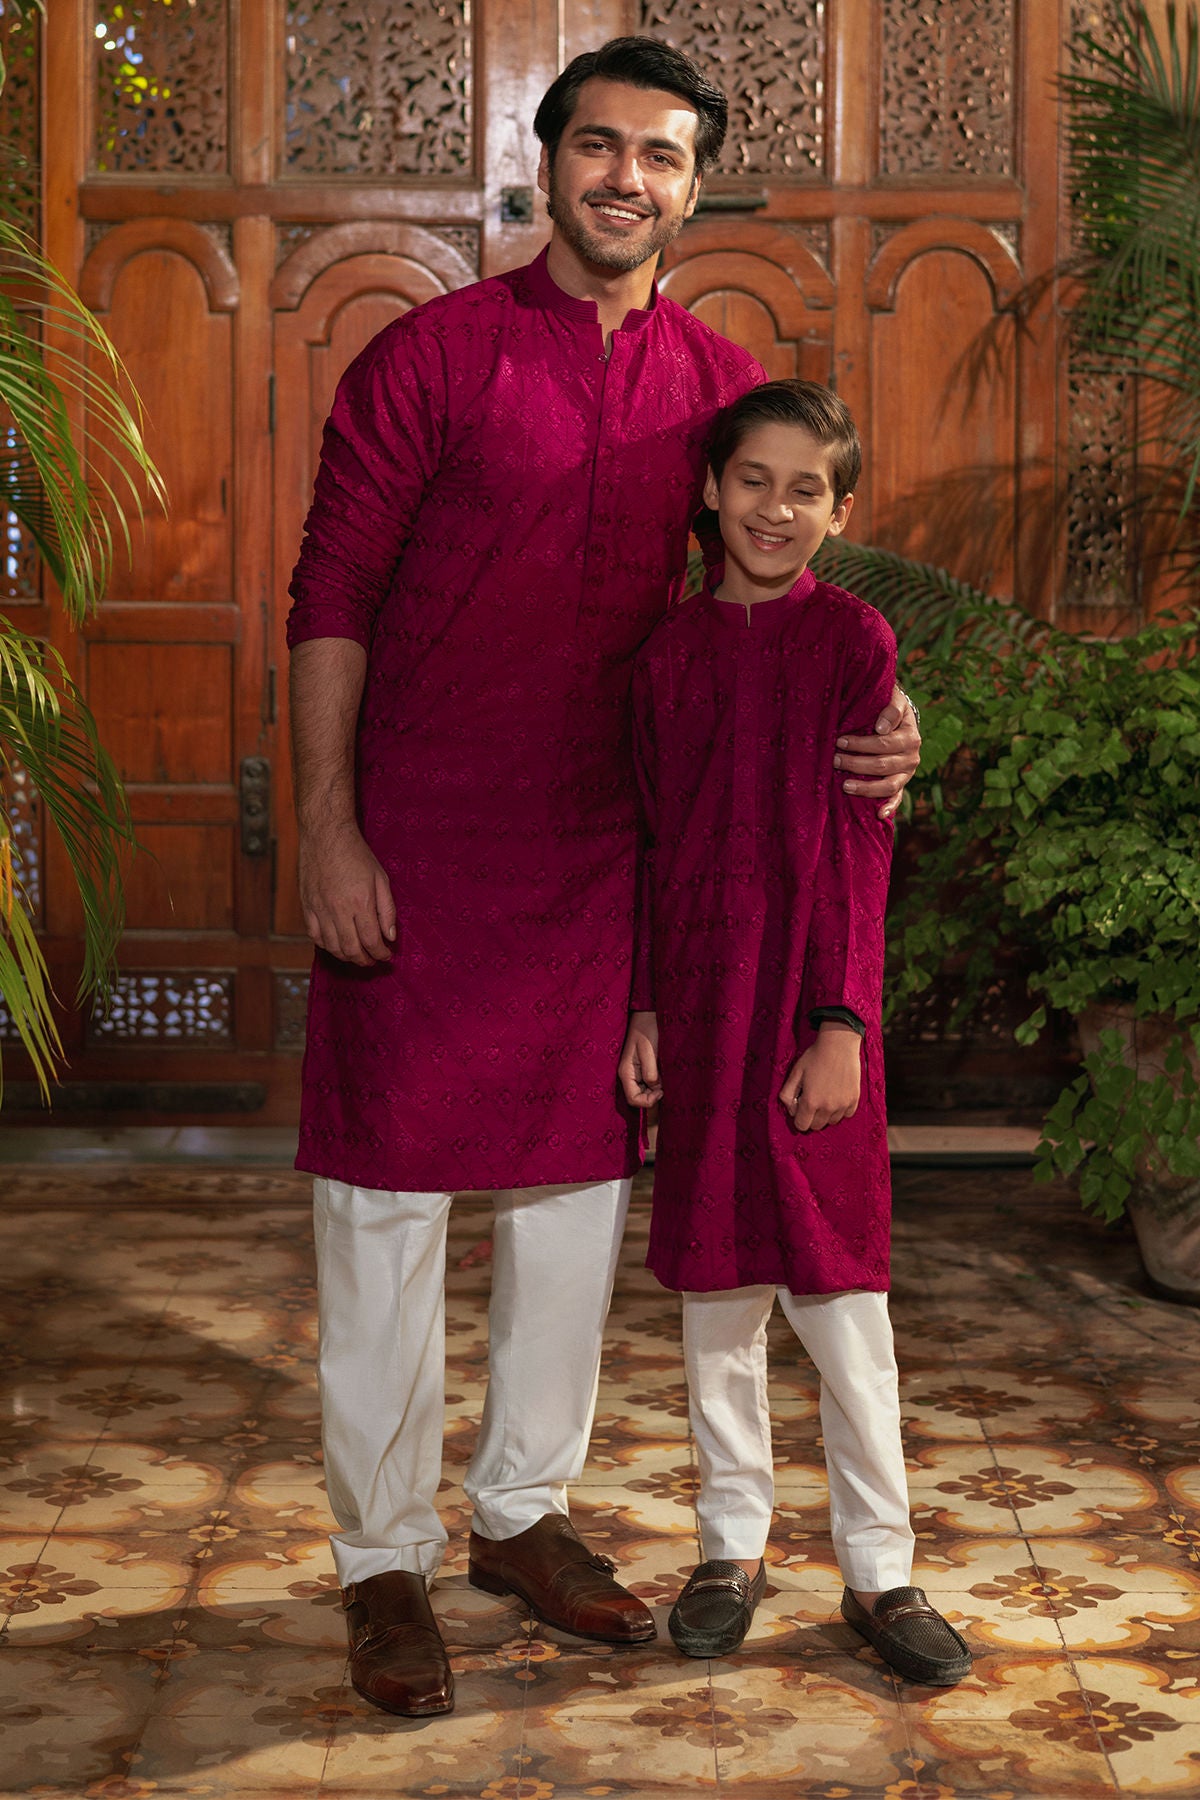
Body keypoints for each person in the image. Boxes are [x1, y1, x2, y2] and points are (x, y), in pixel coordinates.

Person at [287, 40, 922, 1719]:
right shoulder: (427, 359)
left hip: (603, 866)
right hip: (416, 847)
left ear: (694, 184)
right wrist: (329, 829)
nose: (625, 177)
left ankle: (521, 1513)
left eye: (660, 154)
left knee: (573, 1204)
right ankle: (381, 1560)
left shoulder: (718, 390)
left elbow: (778, 590)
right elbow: (329, 594)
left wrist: (885, 711)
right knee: (385, 1210)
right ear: (546, 159)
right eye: (598, 145)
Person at [618, 379, 970, 1685]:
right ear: (712, 490)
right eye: (753, 480)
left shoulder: (852, 643)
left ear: (839, 511)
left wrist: (842, 1023)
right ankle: (731, 1549)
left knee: (844, 1309)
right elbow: (645, 844)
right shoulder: (664, 658)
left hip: (810, 1009)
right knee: (718, 1308)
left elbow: (862, 853)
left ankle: (881, 1569)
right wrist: (647, 1005)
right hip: (703, 1012)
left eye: (805, 489)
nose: (775, 508)